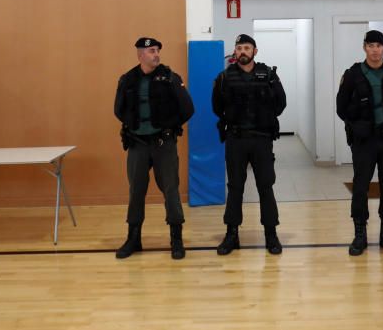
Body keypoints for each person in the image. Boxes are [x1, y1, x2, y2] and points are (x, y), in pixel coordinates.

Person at [114, 37, 195, 259]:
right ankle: (133, 238)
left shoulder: (170, 77)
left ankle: (176, 239)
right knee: (136, 191)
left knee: (171, 190)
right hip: (138, 145)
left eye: (157, 50)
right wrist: (135, 126)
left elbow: (188, 108)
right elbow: (118, 110)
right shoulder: (128, 80)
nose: (156, 54)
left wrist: (169, 126)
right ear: (140, 55)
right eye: (151, 51)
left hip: (163, 144)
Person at [336, 30, 383, 256]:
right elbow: (341, 108)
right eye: (371, 45)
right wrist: (358, 122)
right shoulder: (352, 74)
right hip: (364, 141)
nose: (375, 50)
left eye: (379, 45)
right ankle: (360, 235)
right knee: (360, 187)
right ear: (364, 48)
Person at [212, 34, 287, 255]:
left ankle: (271, 235)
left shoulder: (269, 75)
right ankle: (231, 235)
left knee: (266, 186)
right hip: (236, 139)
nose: (242, 51)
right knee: (235, 188)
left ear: (255, 51)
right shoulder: (225, 77)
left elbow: (281, 103)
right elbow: (217, 107)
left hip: (262, 139)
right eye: (239, 48)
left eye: (247, 47)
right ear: (235, 52)